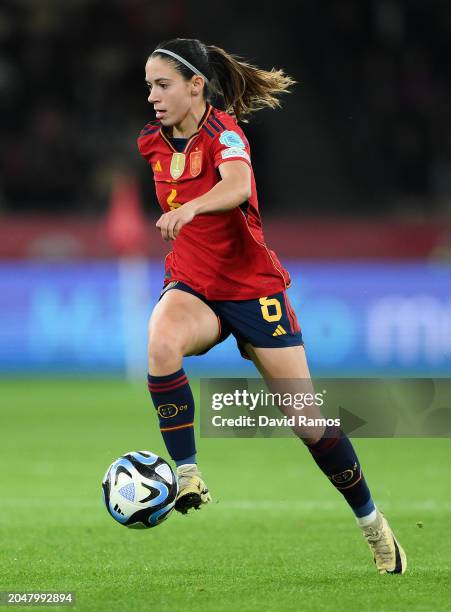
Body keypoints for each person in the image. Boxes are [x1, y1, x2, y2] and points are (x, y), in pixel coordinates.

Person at [138, 38, 406, 575]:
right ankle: (187, 472)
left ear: (195, 86)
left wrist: (190, 209)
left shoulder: (225, 133)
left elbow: (238, 187)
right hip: (193, 283)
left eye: (162, 84)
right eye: (148, 86)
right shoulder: (150, 142)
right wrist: (188, 228)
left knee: (307, 421)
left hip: (253, 288)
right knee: (161, 342)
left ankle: (372, 523)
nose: (152, 97)